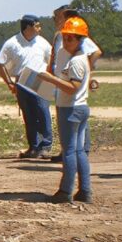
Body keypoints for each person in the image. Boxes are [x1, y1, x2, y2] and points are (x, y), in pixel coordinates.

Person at [35, 17, 93, 203]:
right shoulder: (70, 56)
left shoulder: (77, 61)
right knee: (78, 151)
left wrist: (50, 79)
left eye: (71, 38)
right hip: (78, 107)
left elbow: (72, 87)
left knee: (69, 151)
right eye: (65, 37)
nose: (66, 41)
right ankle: (84, 190)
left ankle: (66, 191)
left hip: (71, 108)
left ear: (80, 40)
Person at [48, 6, 103, 162]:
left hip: (72, 82)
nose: (55, 21)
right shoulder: (59, 36)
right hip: (61, 81)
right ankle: (66, 149)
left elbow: (96, 52)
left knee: (75, 114)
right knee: (62, 117)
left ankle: (80, 151)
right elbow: (54, 57)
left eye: (57, 17)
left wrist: (86, 73)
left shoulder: (76, 35)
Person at [0, 15, 53, 159]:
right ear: (28, 27)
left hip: (39, 79)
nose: (40, 28)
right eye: (37, 26)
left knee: (43, 112)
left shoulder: (43, 42)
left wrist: (49, 76)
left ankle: (45, 146)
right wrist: (9, 83)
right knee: (29, 115)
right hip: (22, 80)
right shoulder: (12, 43)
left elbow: (51, 58)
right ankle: (33, 147)